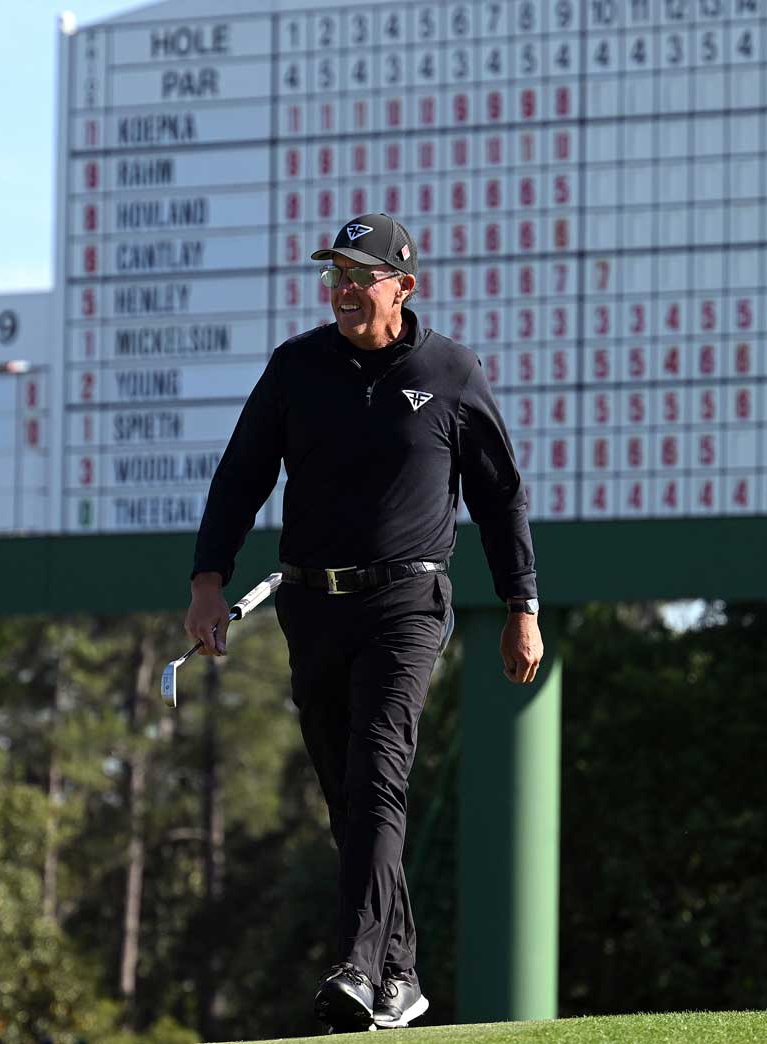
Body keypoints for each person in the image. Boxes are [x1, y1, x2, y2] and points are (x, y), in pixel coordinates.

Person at [187, 212, 543, 1033]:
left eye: (359, 276)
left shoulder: (449, 371)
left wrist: (520, 605)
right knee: (348, 798)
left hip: (406, 605)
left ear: (403, 287)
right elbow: (240, 476)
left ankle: (355, 964)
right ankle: (400, 975)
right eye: (334, 276)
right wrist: (208, 581)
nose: (342, 290)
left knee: (378, 774)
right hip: (312, 606)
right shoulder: (297, 366)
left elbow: (500, 498)